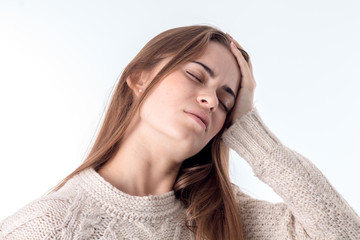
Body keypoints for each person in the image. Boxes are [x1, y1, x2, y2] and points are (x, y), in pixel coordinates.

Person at [0, 25, 359, 240]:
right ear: (140, 79)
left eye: (227, 98)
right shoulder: (52, 225)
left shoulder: (220, 218)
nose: (211, 100)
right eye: (195, 75)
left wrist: (248, 127)